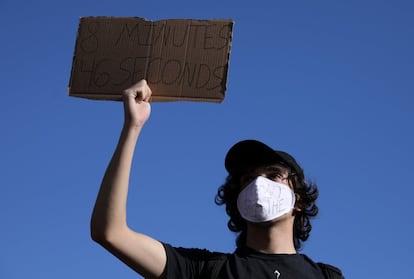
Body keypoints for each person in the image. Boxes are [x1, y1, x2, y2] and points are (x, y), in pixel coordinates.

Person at [90, 80, 344, 279]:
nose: (258, 184)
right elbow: (111, 233)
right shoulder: (204, 270)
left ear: (298, 200)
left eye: (273, 175)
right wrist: (132, 127)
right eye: (248, 178)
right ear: (238, 198)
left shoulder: (326, 276)